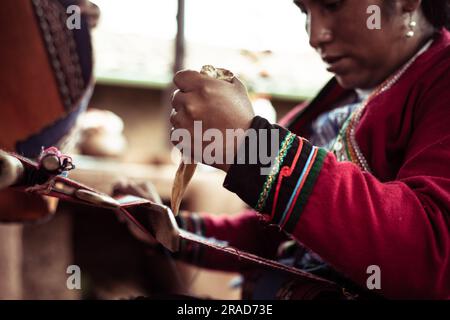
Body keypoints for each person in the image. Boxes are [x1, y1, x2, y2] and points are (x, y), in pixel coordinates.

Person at [119, 0, 450, 299]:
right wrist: (169, 229)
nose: (315, 35)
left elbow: (432, 251)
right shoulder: (331, 104)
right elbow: (276, 240)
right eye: (305, 12)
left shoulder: (441, 80)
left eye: (332, 6)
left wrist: (252, 145)